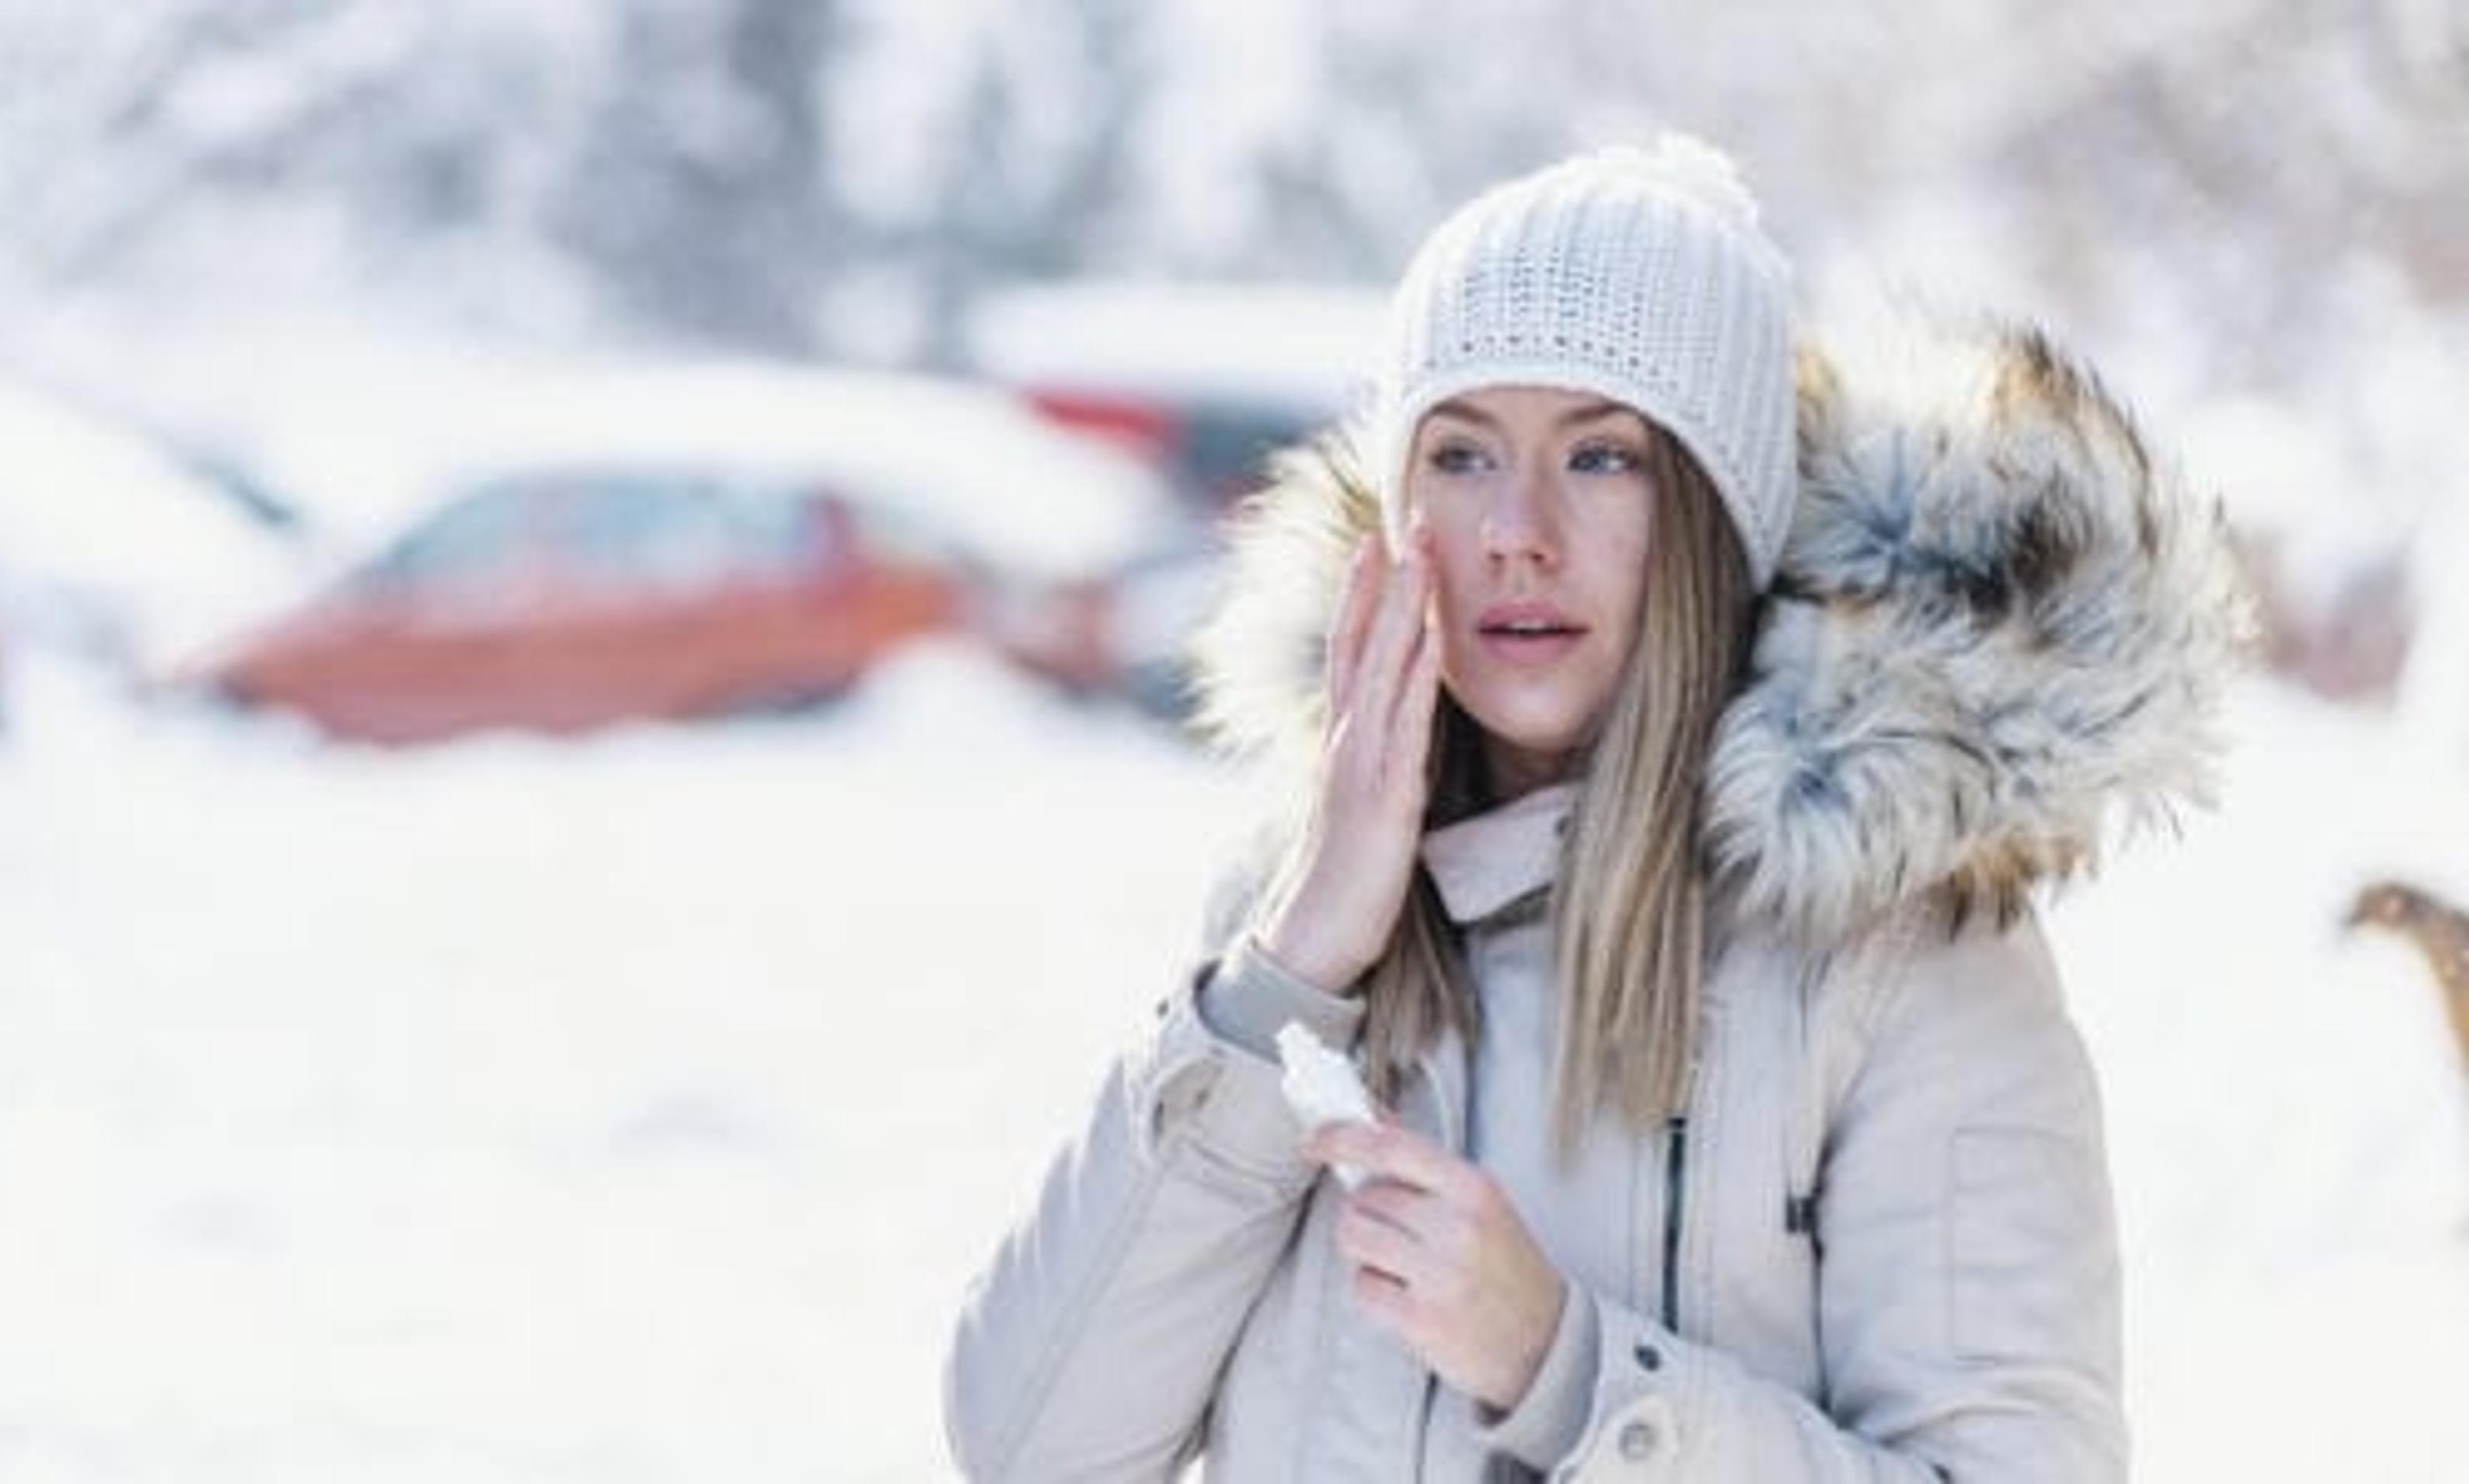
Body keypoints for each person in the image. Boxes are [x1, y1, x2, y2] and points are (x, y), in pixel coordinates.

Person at [943, 134, 2241, 1481]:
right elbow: (1033, 1447)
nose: (1519, 528)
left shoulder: (1899, 955)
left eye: (1602, 457)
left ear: (1708, 516)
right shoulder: (1299, 923)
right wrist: (1292, 968)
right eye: (1460, 454)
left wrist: (1567, 1377)